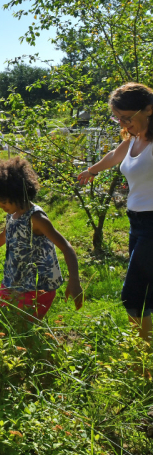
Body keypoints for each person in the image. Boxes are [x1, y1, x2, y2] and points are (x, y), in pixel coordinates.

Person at [78, 82, 153, 344]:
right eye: (118, 117)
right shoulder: (133, 139)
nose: (123, 123)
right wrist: (92, 170)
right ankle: (144, 353)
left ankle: (140, 357)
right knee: (146, 292)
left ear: (149, 110)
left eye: (127, 118)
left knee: (132, 294)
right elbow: (113, 155)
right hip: (137, 222)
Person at [0, 156, 81, 319]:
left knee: (23, 327)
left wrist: (74, 280)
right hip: (13, 280)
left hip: (36, 287)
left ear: (18, 194)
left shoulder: (36, 219)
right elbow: (7, 234)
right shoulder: (13, 214)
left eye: (4, 201)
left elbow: (66, 248)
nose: (1, 206)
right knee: (0, 321)